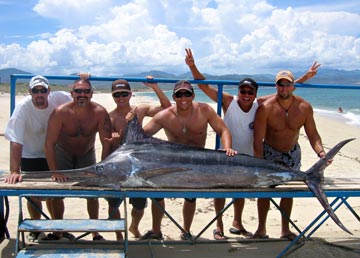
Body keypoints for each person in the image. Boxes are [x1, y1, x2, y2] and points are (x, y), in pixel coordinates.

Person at [185, 48, 321, 239]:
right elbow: (204, 86)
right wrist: (193, 67)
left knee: (241, 191)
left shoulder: (259, 104)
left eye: (250, 92)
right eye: (243, 91)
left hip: (249, 155)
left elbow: (284, 91)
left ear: (255, 94)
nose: (246, 95)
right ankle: (219, 226)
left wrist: (305, 77)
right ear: (238, 91)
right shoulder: (228, 101)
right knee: (221, 190)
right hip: (228, 152)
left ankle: (237, 222)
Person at [140, 80, 237, 241]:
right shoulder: (165, 115)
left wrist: (227, 147)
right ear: (174, 97)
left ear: (193, 95)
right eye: (179, 94)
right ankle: (156, 230)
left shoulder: (205, 110)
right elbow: (142, 136)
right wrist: (131, 120)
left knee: (190, 197)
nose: (183, 97)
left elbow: (223, 129)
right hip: (173, 163)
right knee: (156, 192)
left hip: (199, 163)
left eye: (187, 93)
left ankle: (186, 230)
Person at [253, 70, 327, 241]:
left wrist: (321, 152)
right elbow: (258, 139)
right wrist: (258, 162)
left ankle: (285, 229)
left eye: (288, 84)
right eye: (281, 84)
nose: (284, 88)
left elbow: (313, 135)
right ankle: (261, 229)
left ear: (294, 86)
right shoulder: (266, 108)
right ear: (276, 85)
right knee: (264, 191)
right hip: (269, 152)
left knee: (288, 192)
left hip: (293, 153)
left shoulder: (305, 107)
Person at [3, 75, 73, 241]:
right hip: (31, 153)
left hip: (54, 153)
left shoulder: (59, 98)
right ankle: (36, 228)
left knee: (56, 195)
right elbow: (16, 140)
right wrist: (14, 170)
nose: (39, 94)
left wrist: (85, 77)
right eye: (36, 91)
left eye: (43, 90)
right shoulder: (23, 108)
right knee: (33, 195)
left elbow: (81, 96)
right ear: (30, 92)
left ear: (49, 91)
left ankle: (58, 229)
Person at [44, 78, 112, 241]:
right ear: (72, 94)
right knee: (57, 193)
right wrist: (54, 171)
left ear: (91, 94)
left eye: (86, 91)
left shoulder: (100, 113)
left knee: (92, 193)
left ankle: (95, 231)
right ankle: (58, 230)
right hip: (63, 154)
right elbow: (49, 144)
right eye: (78, 91)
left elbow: (106, 143)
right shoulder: (60, 112)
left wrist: (102, 168)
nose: (82, 94)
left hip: (87, 154)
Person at [107, 76, 172, 239]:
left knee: (139, 205)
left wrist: (155, 87)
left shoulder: (139, 110)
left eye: (124, 94)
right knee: (114, 204)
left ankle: (133, 227)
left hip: (140, 165)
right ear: (112, 96)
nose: (121, 98)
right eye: (117, 95)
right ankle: (118, 236)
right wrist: (115, 140)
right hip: (119, 164)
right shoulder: (110, 117)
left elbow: (167, 107)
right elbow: (109, 145)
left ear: (130, 94)